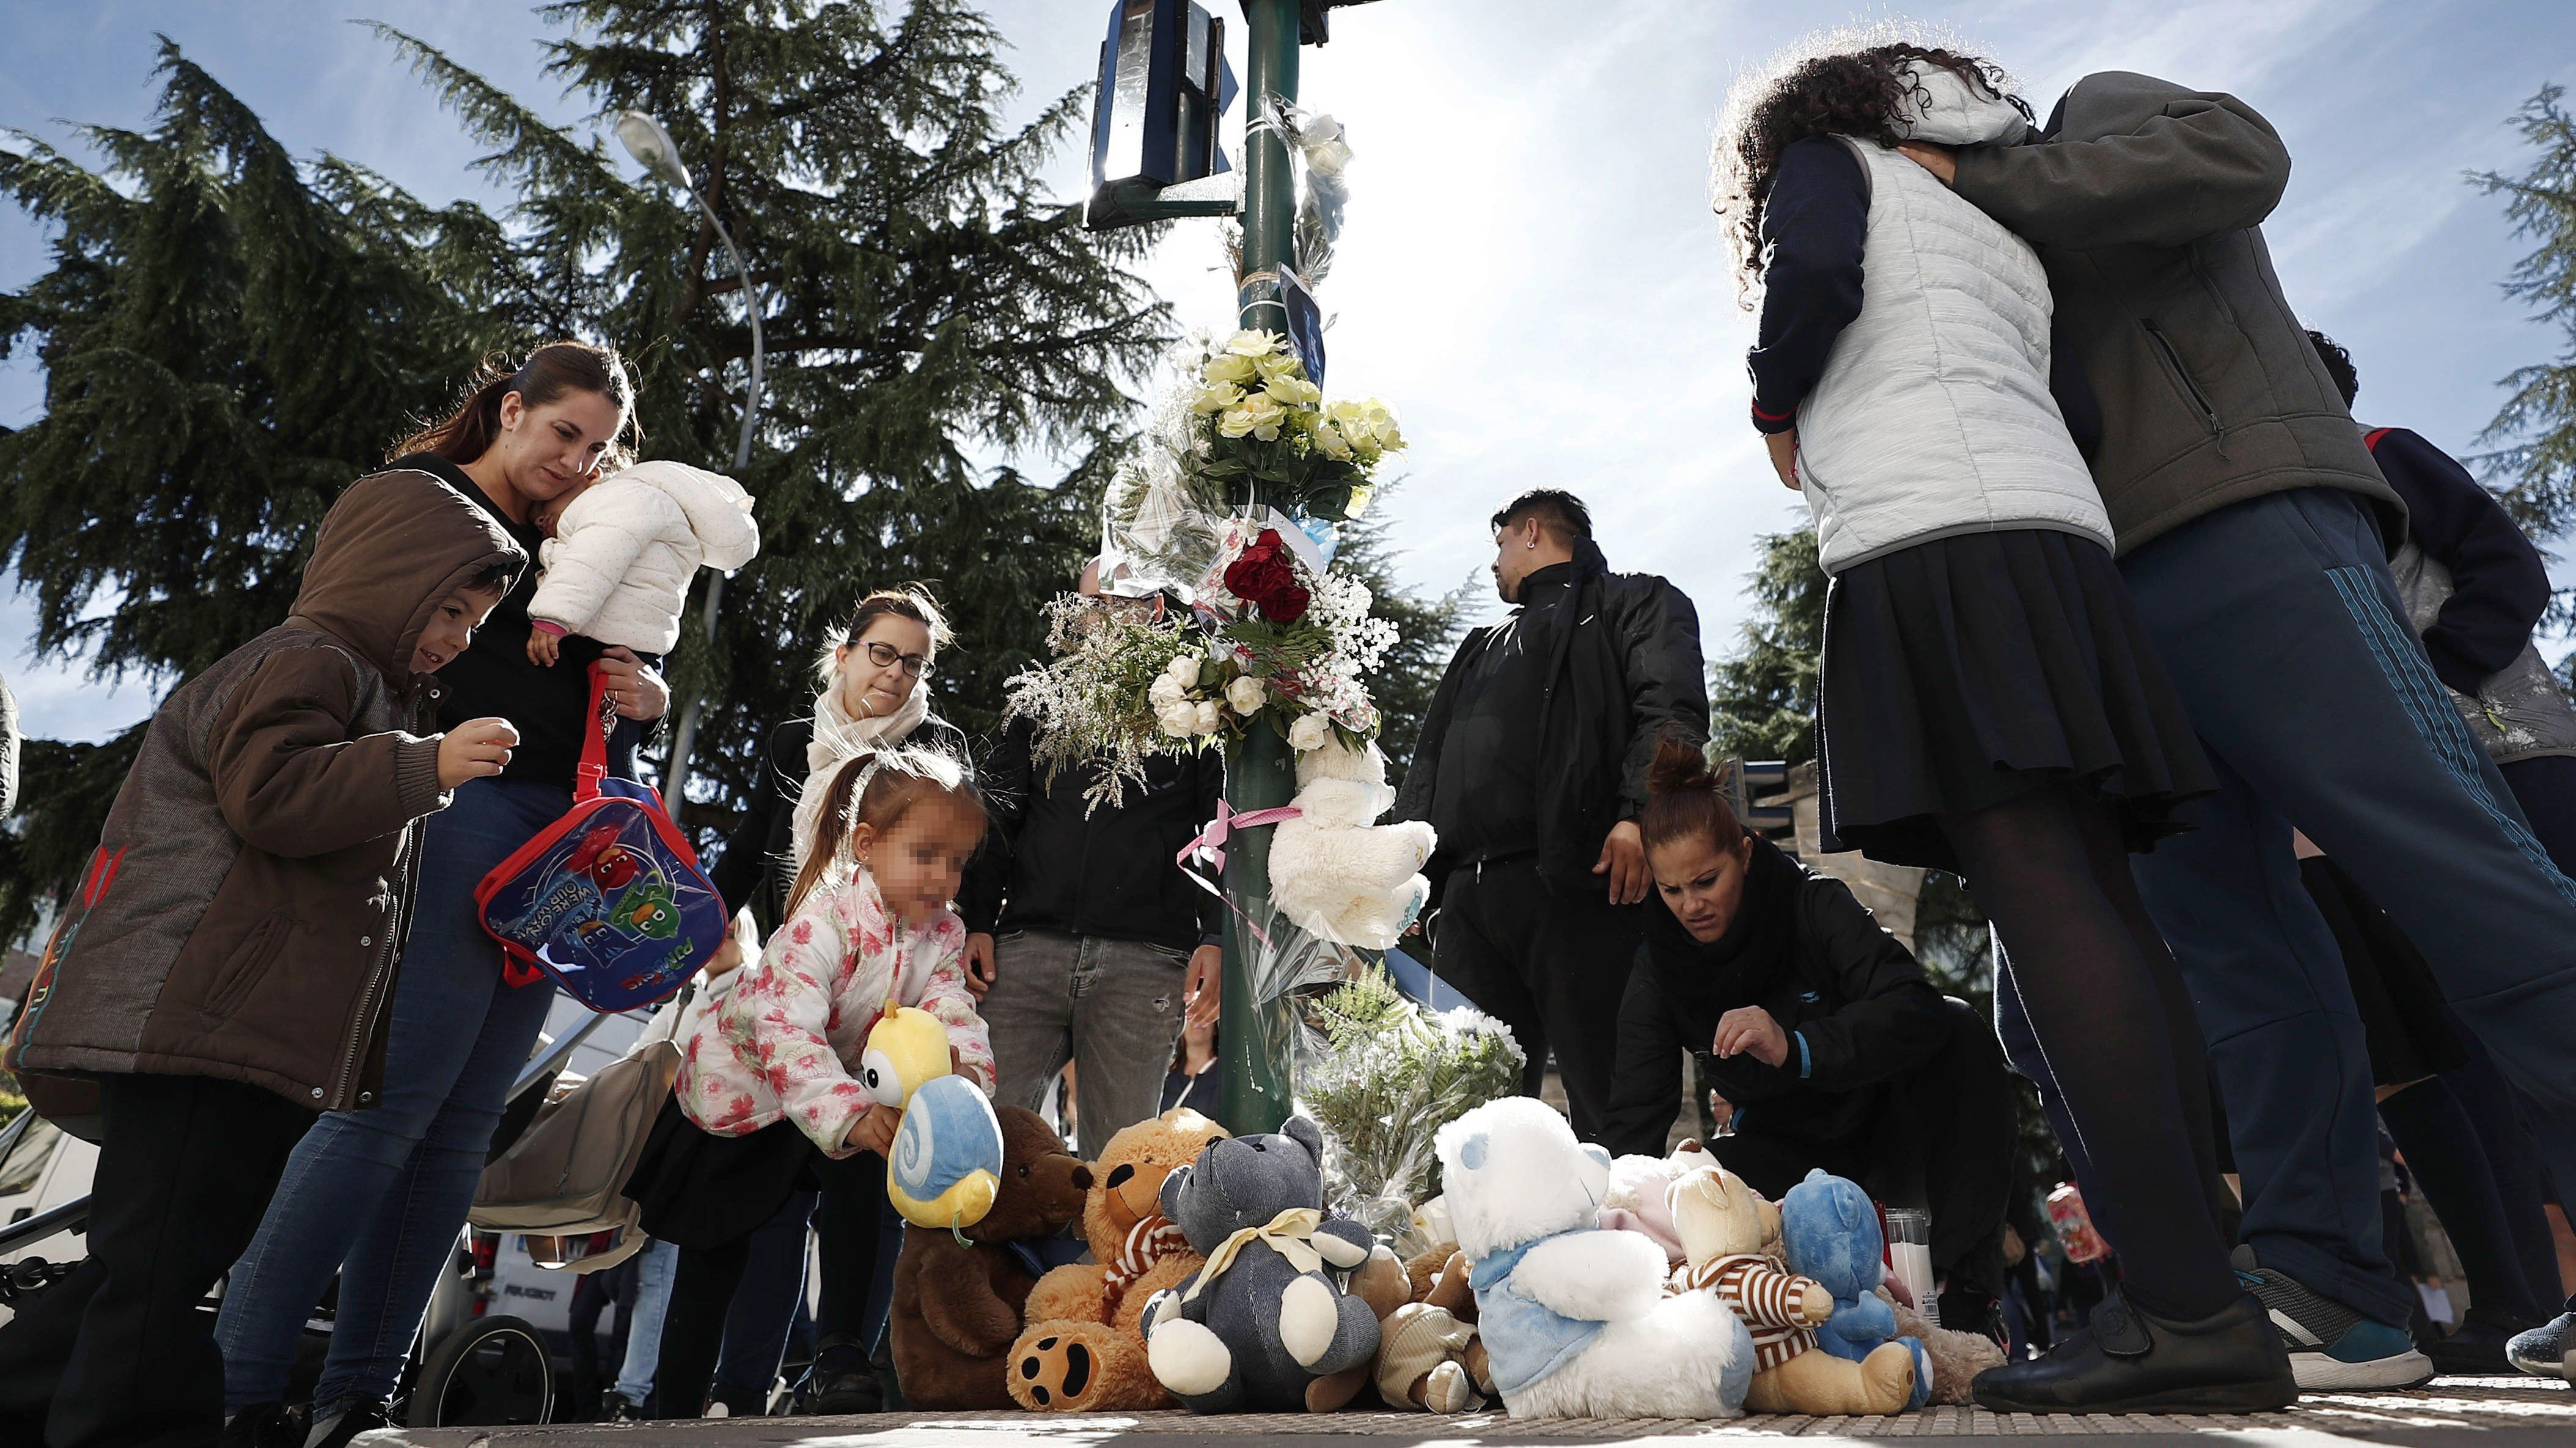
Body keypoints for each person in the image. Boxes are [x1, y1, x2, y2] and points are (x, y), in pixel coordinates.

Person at [1903, 67, 2576, 1391]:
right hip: (2104, 598)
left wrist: (1989, 184)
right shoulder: (1961, 249)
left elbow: (2241, 153)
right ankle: (2331, 1293)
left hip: (2256, 527)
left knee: (2463, 874)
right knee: (2232, 955)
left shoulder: (2092, 118)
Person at [1717, 43, 2289, 1410]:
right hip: (2057, 550)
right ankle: (2197, 1290)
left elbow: (1810, 276)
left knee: (2047, 908)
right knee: (2102, 904)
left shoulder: (1827, 166)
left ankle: (2183, 1312)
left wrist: (1772, 399)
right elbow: (2076, 405)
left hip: (1930, 544)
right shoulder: (1995, 212)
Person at [0, 470, 523, 1448]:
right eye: (448, 608)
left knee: (151, 1260)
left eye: (475, 622)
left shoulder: (359, 688)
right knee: (157, 1263)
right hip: (197, 1023)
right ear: (388, 575)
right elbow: (271, 796)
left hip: (234, 1029)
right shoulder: (310, 663)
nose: (457, 637)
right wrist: (422, 765)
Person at [215, 343, 666, 1448]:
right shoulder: (428, 505)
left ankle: (359, 1401)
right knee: (389, 1105)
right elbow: (350, 642)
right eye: (562, 432)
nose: (576, 461)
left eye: (599, 447)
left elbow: (604, 696)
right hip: (454, 810)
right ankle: (234, 1388)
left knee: (462, 1130)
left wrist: (647, 691)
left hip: (562, 845)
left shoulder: (589, 550)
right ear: (510, 410)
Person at [620, 747, 996, 1419]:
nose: (944, 878)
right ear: (868, 846)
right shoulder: (821, 923)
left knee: (860, 1185)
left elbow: (950, 1011)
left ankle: (841, 1354)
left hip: (829, 1096)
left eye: (958, 862)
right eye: (927, 856)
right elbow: (787, 1035)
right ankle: (671, 1407)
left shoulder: (942, 933)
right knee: (716, 1254)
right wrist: (849, 1113)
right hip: (739, 1098)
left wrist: (962, 1077)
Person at [1602, 736, 2017, 1331]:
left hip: (1885, 1128)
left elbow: (1914, 1007)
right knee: (1682, 1188)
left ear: (1745, 855)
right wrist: (1595, 1221)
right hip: (1781, 1150)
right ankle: (1754, 1318)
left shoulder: (1814, 904)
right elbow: (1636, 1112)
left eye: (1707, 881)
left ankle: (1967, 1300)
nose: (1692, 905)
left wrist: (1797, 1047)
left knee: (1959, 1025)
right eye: (1673, 890)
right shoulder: (1658, 966)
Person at [698, 585, 964, 1413]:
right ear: (845, 654)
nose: (894, 672)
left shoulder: (933, 748)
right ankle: (741, 1380)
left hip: (885, 992)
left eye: (912, 660)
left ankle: (842, 1358)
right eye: (881, 652)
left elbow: (957, 863)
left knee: (860, 1174)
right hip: (795, 992)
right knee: (773, 1197)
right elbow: (749, 848)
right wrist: (703, 926)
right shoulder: (790, 742)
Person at [1394, 489, 1708, 1141]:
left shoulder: (1635, 602)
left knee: (1612, 1099)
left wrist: (1636, 816)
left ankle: (1627, 1237)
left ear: (1531, 530)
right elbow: (1428, 767)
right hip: (1468, 905)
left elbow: (1671, 712)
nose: (1494, 561)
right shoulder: (1480, 645)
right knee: (1465, 1117)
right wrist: (1413, 884)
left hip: (1583, 878)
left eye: (1500, 541)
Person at [963, 563, 1224, 1158]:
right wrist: (977, 918)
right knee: (981, 1147)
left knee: (1120, 1170)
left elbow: (1221, 824)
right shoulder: (1038, 701)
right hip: (1023, 956)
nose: (1100, 617)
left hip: (1146, 966)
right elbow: (998, 818)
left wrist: (1216, 934)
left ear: (1155, 609)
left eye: (1119, 602)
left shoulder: (1196, 709)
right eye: (1091, 604)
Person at [523, 458, 760, 668]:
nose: (540, 519)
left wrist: (553, 617)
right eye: (534, 518)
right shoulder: (640, 504)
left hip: (602, 646)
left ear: (592, 476)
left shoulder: (618, 498)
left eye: (545, 504)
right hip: (632, 652)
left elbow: (593, 559)